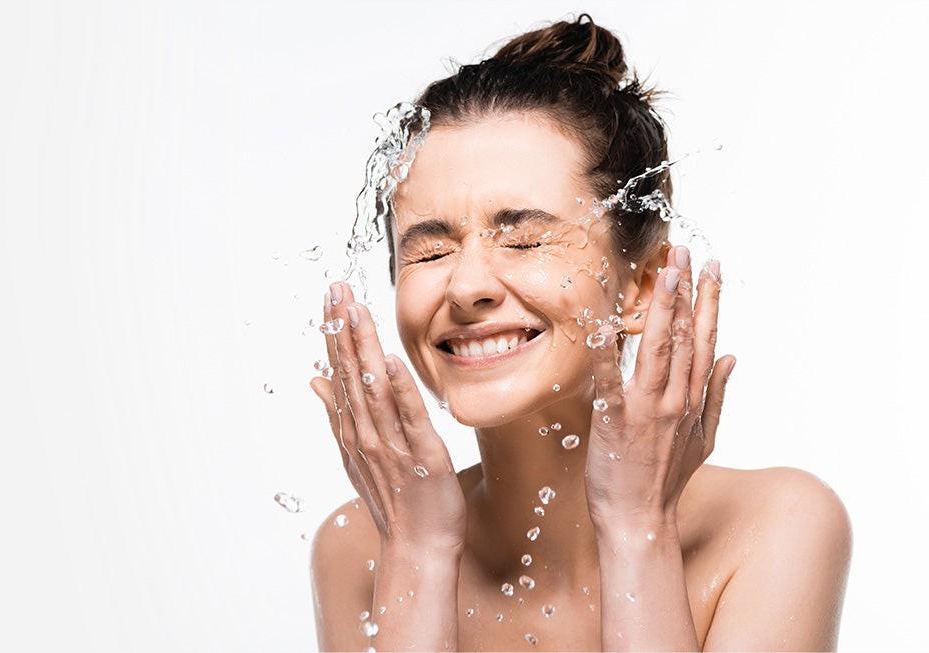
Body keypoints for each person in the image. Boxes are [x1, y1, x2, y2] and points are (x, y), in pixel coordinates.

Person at [308, 15, 851, 652]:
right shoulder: (360, 548)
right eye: (428, 253)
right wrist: (420, 554)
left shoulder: (775, 526)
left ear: (643, 286)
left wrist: (635, 530)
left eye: (525, 239)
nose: (463, 287)